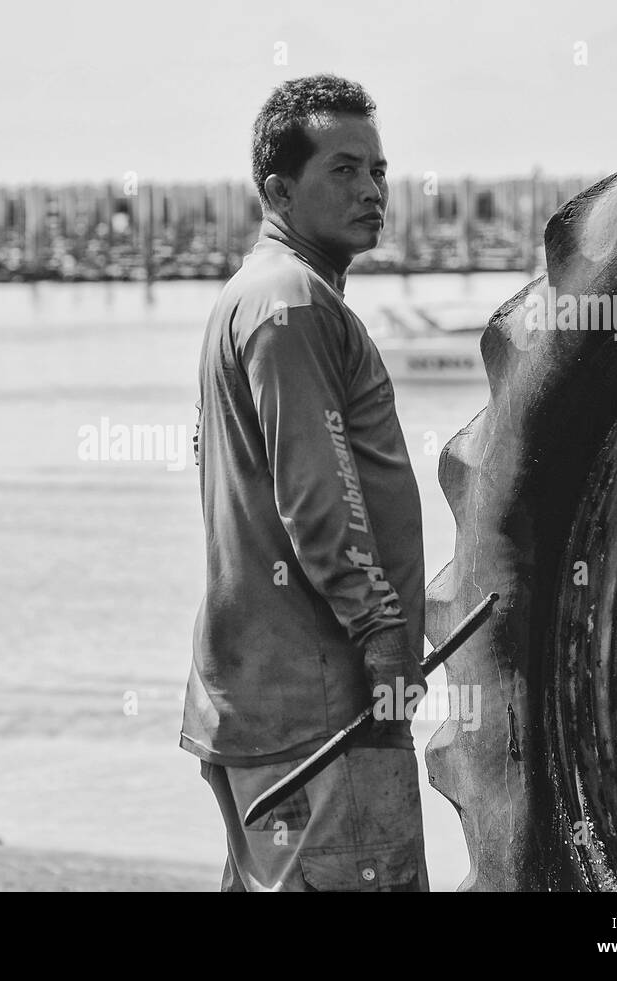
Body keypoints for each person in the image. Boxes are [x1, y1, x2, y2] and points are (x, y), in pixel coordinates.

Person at [183, 76, 429, 891]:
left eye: (379, 171)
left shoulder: (257, 297)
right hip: (323, 707)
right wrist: (386, 636)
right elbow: (317, 498)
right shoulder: (291, 302)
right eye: (344, 169)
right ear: (279, 190)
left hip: (268, 702)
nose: (371, 190)